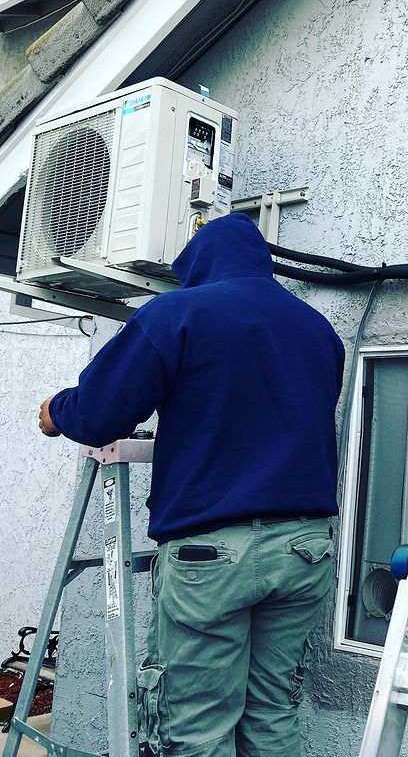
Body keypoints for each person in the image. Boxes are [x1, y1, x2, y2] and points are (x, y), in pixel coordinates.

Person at [38, 212, 345, 757]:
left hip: (213, 554)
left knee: (198, 728)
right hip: (306, 549)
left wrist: (58, 410)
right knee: (272, 714)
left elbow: (102, 413)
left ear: (197, 264)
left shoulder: (178, 314)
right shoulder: (317, 329)